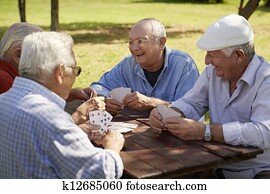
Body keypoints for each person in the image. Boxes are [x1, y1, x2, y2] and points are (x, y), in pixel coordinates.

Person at [149, 14, 270, 179]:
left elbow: (263, 132)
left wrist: (206, 131)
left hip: (260, 170)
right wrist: (170, 112)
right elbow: (192, 102)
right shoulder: (213, 72)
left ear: (239, 55)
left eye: (212, 55)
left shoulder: (266, 79)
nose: (206, 61)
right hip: (217, 164)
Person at [0, 31, 124, 178]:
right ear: (60, 72)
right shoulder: (51, 118)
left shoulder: (4, 99)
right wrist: (113, 146)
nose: (74, 77)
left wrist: (76, 131)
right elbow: (101, 174)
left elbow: (40, 142)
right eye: (74, 70)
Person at [90, 18, 199, 115]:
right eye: (130, 42)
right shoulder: (128, 64)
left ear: (161, 42)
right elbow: (98, 87)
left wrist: (152, 103)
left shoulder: (184, 65)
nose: (134, 48)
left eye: (140, 41)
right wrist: (105, 100)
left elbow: (191, 110)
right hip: (140, 133)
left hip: (176, 134)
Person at [0, 22, 98, 123]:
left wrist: (70, 94)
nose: (46, 64)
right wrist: (79, 115)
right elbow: (32, 123)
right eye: (42, 56)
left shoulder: (12, 77)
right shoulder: (4, 80)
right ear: (18, 55)